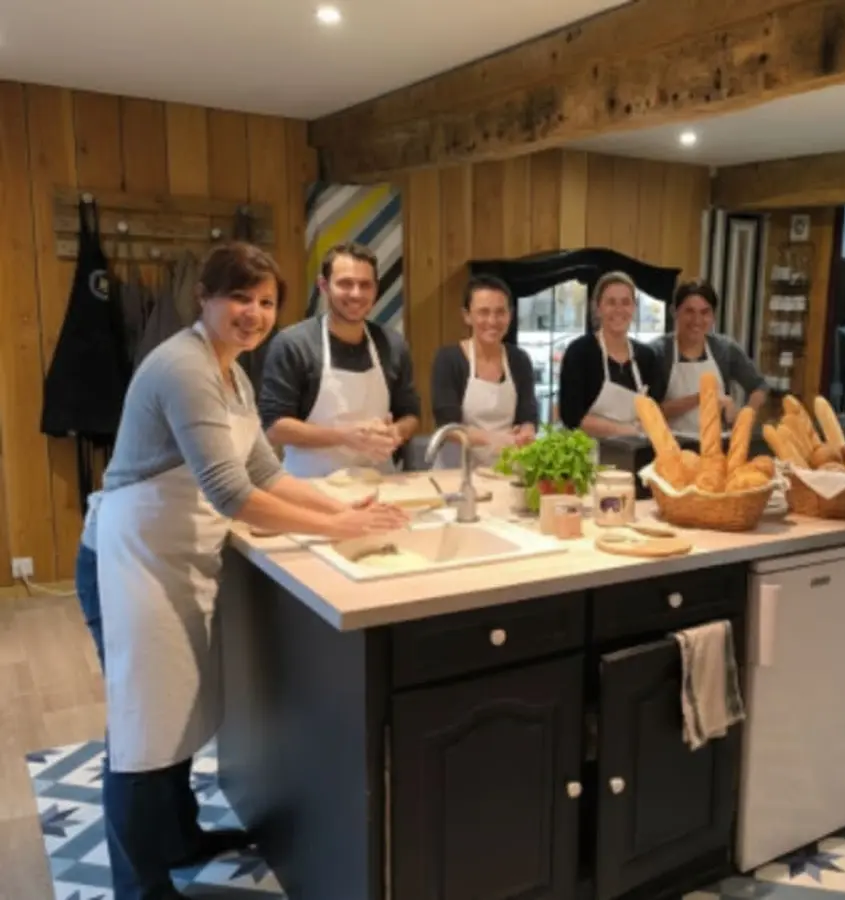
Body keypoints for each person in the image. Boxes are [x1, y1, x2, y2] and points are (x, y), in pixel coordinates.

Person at [93, 242, 408, 899]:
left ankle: (179, 836)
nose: (254, 314)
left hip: (174, 556)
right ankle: (138, 885)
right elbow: (228, 492)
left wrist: (340, 503)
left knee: (177, 712)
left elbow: (262, 468)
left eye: (266, 303)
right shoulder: (183, 366)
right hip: (131, 559)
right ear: (204, 298)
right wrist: (338, 527)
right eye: (240, 298)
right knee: (139, 730)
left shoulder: (231, 370)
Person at [257, 241, 421, 478]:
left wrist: (396, 432)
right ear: (324, 285)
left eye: (365, 285)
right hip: (310, 486)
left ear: (375, 289)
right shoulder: (293, 345)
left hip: (379, 484)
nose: (356, 293)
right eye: (345, 284)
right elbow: (274, 427)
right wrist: (345, 436)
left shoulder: (393, 345)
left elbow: (411, 415)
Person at [430, 275, 539, 466]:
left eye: (500, 312)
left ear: (510, 315)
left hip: (506, 469)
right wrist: (493, 439)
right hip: (456, 472)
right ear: (467, 316)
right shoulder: (449, 359)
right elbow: (448, 426)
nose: (492, 320)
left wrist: (526, 432)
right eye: (483, 312)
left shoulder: (519, 360)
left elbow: (527, 415)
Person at [651, 279, 767, 433]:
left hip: (717, 447)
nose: (697, 320)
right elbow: (651, 412)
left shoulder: (724, 350)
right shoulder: (658, 353)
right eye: (689, 311)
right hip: (670, 447)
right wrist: (703, 397)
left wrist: (744, 420)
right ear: (674, 312)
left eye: (705, 312)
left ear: (713, 316)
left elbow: (759, 386)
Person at [557, 271, 661, 437]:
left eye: (626, 302)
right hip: (588, 456)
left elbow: (654, 412)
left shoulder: (647, 357)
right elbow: (572, 417)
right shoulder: (579, 353)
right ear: (598, 308)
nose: (619, 310)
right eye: (611, 302)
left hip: (634, 456)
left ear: (634, 308)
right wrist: (628, 430)